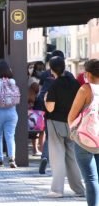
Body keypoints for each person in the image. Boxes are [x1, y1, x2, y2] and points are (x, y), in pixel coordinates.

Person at [45, 56, 85, 198]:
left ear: (52, 69)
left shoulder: (54, 85)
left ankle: (57, 190)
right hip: (73, 123)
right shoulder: (74, 83)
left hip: (56, 122)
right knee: (72, 157)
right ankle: (80, 189)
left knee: (57, 156)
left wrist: (45, 100)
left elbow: (50, 108)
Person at [37, 50, 74, 174]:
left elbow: (41, 93)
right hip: (68, 116)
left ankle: (45, 157)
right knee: (70, 144)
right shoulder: (70, 77)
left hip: (52, 115)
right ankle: (71, 171)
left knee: (51, 140)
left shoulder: (45, 76)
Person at [68, 59, 99, 206]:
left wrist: (74, 131)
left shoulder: (85, 89)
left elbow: (71, 117)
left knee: (91, 178)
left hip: (85, 139)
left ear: (87, 73)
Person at [0, 60, 18, 168]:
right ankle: (11, 159)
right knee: (10, 136)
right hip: (12, 112)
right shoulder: (12, 81)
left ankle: (0, 159)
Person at [28, 60, 46, 155]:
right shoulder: (32, 79)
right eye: (39, 69)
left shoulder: (43, 79)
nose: (41, 71)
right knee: (35, 128)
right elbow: (38, 89)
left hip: (42, 104)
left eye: (42, 69)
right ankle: (35, 149)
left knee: (42, 129)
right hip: (35, 105)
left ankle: (41, 148)